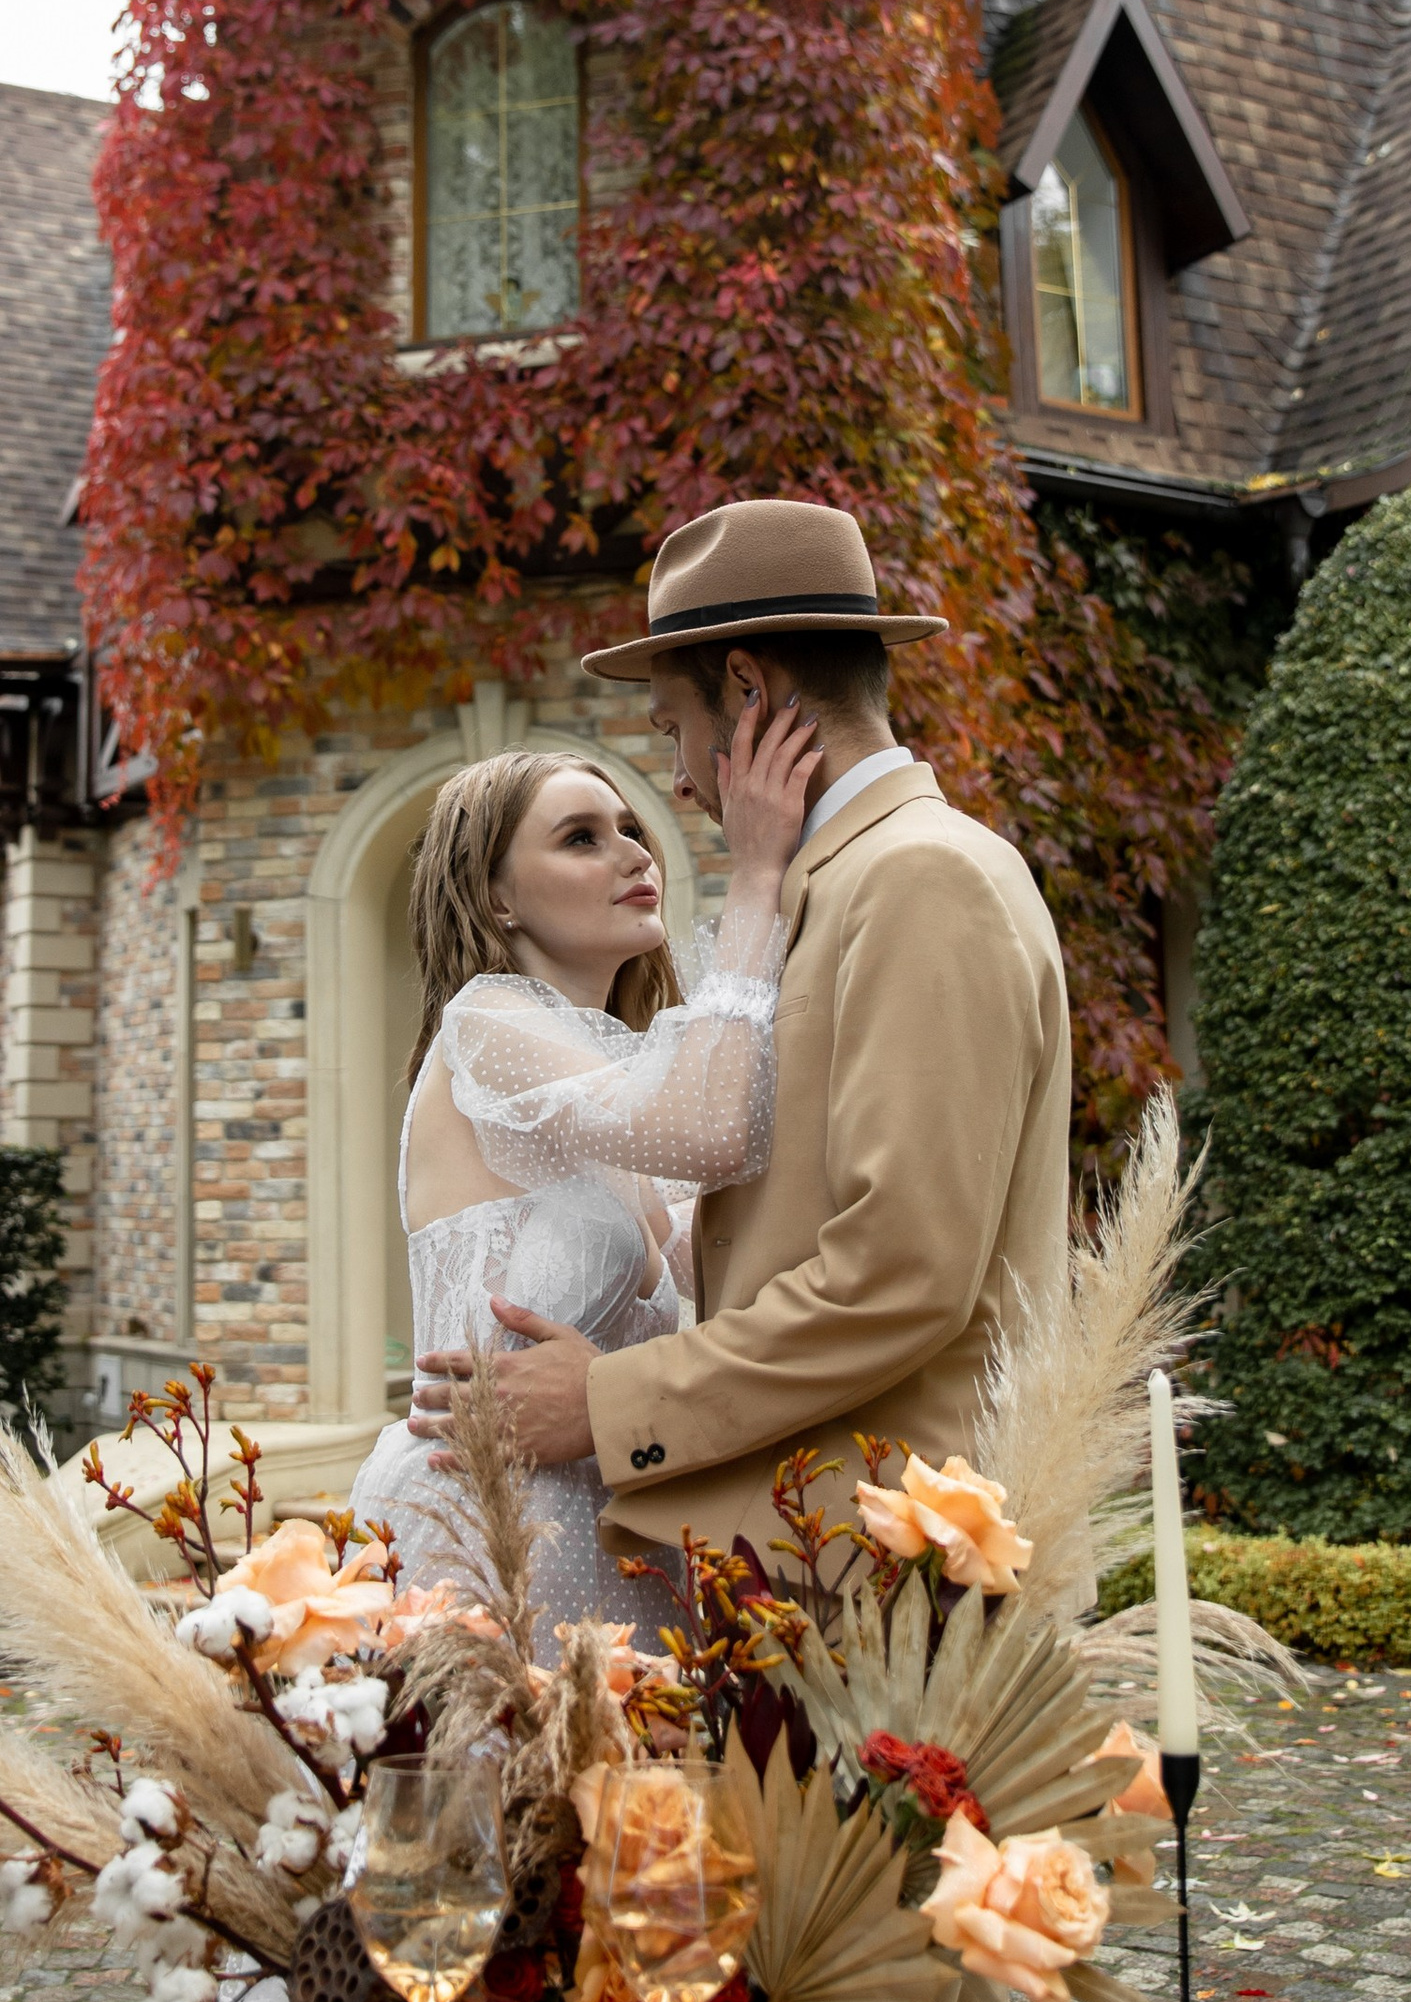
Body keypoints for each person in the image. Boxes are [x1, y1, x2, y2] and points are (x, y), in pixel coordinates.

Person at [411, 497, 1072, 1592]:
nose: (673, 781)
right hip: (795, 1548)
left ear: (748, 692)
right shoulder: (844, 885)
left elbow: (902, 1270)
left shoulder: (918, 879)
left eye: (672, 729)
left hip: (890, 1562)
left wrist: (612, 1403)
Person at [350, 704, 816, 1637]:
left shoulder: (613, 1094)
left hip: (617, 1536)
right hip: (478, 1525)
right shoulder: (485, 1026)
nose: (634, 855)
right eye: (580, 838)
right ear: (496, 900)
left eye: (632, 831)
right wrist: (759, 877)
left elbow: (736, 1249)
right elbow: (716, 1131)